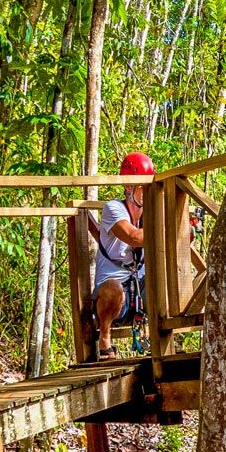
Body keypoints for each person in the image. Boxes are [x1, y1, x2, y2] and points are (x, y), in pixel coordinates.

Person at [93, 152, 156, 359]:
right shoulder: (114, 208)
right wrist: (167, 228)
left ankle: (160, 341)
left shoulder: (151, 214)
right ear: (128, 188)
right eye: (141, 188)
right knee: (113, 289)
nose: (146, 193)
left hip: (141, 286)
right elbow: (134, 237)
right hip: (114, 289)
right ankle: (105, 339)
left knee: (165, 282)